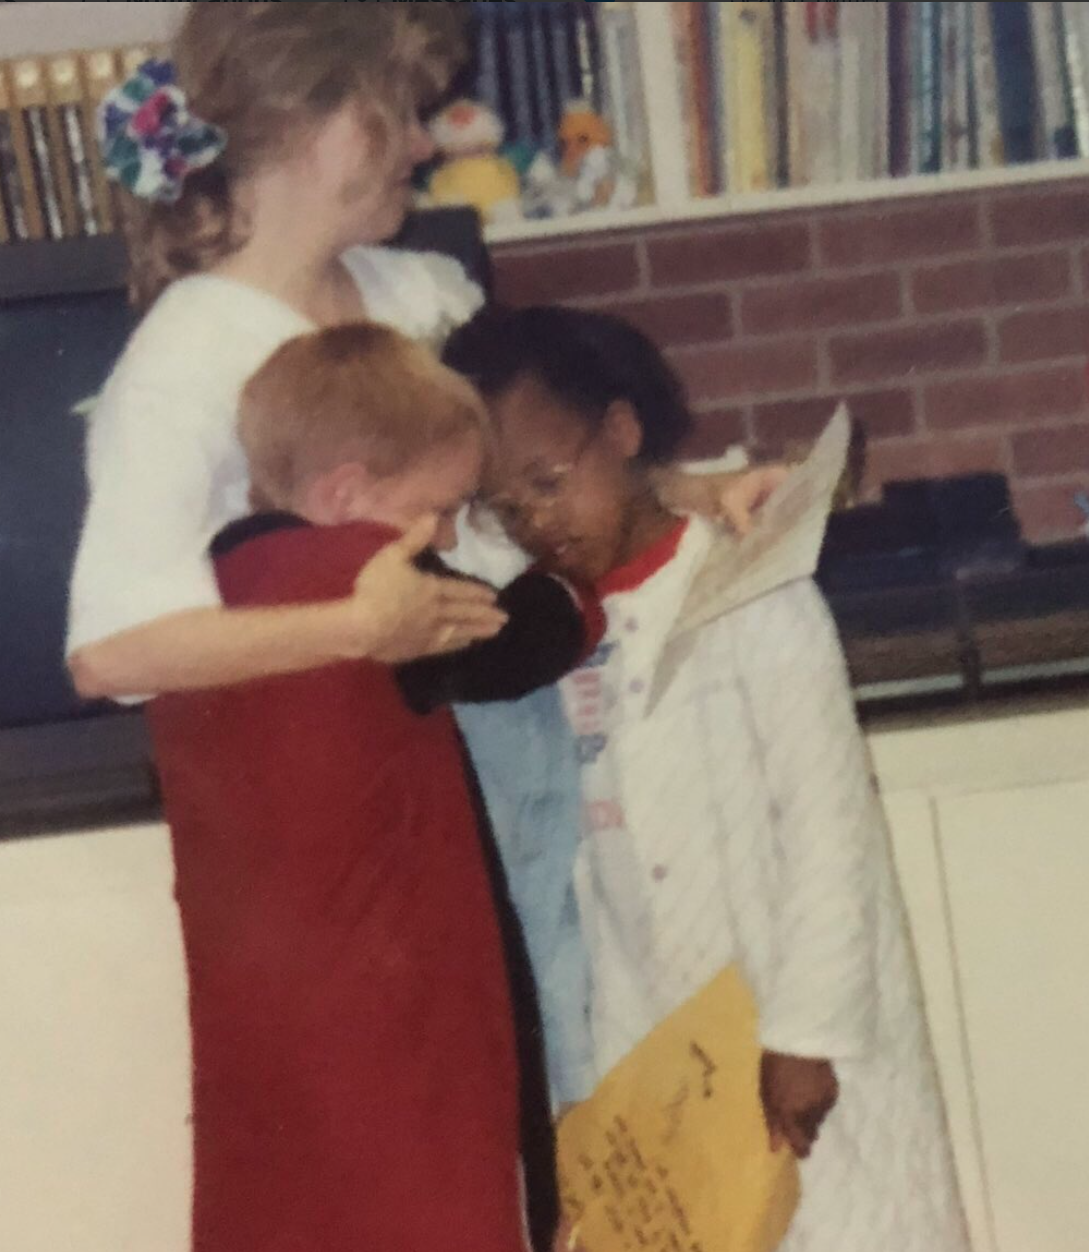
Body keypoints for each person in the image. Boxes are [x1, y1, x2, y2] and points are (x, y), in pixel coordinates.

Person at [65, 5, 785, 1246]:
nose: (417, 143)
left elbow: (514, 492)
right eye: (390, 111)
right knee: (396, 1177)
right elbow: (112, 650)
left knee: (557, 1132)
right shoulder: (185, 359)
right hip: (345, 863)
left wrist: (692, 490)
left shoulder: (417, 293)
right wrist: (357, 626)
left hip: (510, 784)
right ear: (308, 122)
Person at [443, 304, 972, 1252]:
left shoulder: (751, 586)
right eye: (507, 507)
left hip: (790, 1016)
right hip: (649, 1031)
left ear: (622, 430)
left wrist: (805, 1031)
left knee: (845, 1222)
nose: (537, 522)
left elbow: (827, 815)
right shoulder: (550, 626)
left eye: (551, 483)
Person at [147, 322, 602, 1252]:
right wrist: (573, 586)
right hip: (399, 1008)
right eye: (438, 511)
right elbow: (515, 646)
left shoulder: (200, 595)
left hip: (269, 1012)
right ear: (346, 493)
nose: (446, 538)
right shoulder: (363, 579)